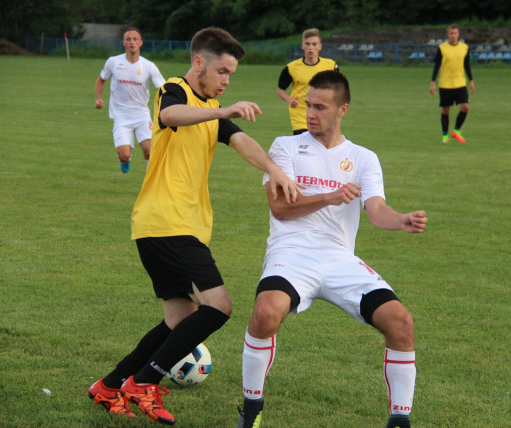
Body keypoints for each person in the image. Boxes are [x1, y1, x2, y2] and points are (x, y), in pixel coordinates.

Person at [88, 27, 302, 425]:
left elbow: (242, 142)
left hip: (170, 226)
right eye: (222, 71)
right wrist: (223, 110)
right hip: (168, 222)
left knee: (178, 320)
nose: (226, 81)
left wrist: (274, 170)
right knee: (218, 307)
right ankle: (144, 382)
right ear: (199, 62)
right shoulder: (175, 90)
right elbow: (170, 116)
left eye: (231, 75)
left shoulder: (211, 109)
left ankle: (110, 385)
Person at [236, 70, 428, 428]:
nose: (310, 113)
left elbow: (376, 210)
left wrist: (401, 219)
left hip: (339, 258)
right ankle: (251, 409)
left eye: (320, 107)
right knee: (265, 312)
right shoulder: (285, 147)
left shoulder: (363, 158)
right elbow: (280, 208)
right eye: (308, 105)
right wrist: (329, 196)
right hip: (291, 253)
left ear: (343, 109)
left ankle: (400, 421)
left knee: (401, 322)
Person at [95, 28, 165, 173]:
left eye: (135, 39)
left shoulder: (149, 66)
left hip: (141, 114)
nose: (132, 42)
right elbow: (101, 79)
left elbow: (163, 88)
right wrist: (98, 98)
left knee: (149, 150)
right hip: (121, 115)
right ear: (124, 43)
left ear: (140, 43)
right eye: (128, 39)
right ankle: (125, 158)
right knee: (124, 155)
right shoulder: (113, 62)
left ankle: (149, 180)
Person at [277, 28, 338, 135]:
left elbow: (339, 88)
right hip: (300, 115)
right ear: (302, 46)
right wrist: (289, 99)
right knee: (304, 144)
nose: (311, 47)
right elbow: (280, 90)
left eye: (314, 44)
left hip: (323, 114)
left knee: (321, 144)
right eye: (307, 44)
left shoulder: (330, 66)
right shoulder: (291, 68)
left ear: (320, 47)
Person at [429, 25, 475, 144]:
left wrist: (471, 80)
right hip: (445, 84)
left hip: (460, 83)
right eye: (451, 33)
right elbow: (437, 65)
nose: (453, 35)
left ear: (458, 34)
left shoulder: (464, 48)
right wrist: (433, 82)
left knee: (465, 107)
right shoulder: (442, 48)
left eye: (455, 33)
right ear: (448, 35)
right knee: (446, 110)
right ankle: (445, 136)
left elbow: (467, 65)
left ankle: (456, 131)